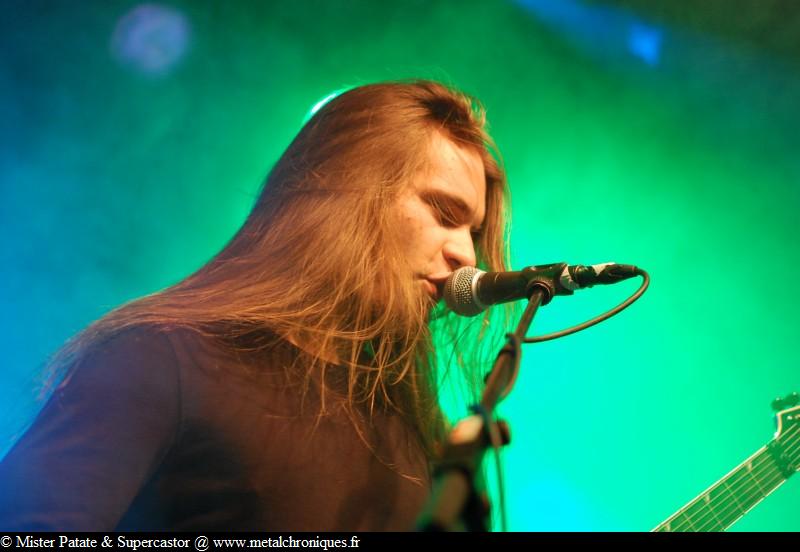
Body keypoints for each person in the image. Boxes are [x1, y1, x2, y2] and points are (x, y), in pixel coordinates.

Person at [0, 80, 511, 531]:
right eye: (443, 212)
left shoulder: (420, 435)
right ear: (348, 194)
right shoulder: (161, 359)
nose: (466, 255)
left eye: (473, 233)